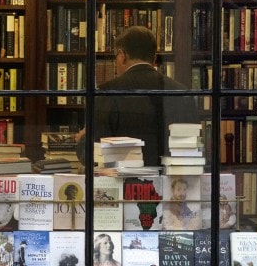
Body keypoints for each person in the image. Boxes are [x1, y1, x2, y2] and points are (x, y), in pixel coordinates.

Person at [75, 26, 199, 167]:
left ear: (122, 56)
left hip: (123, 184)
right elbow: (193, 149)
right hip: (172, 182)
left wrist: (83, 138)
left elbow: (91, 155)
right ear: (154, 59)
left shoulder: (107, 92)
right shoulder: (181, 92)